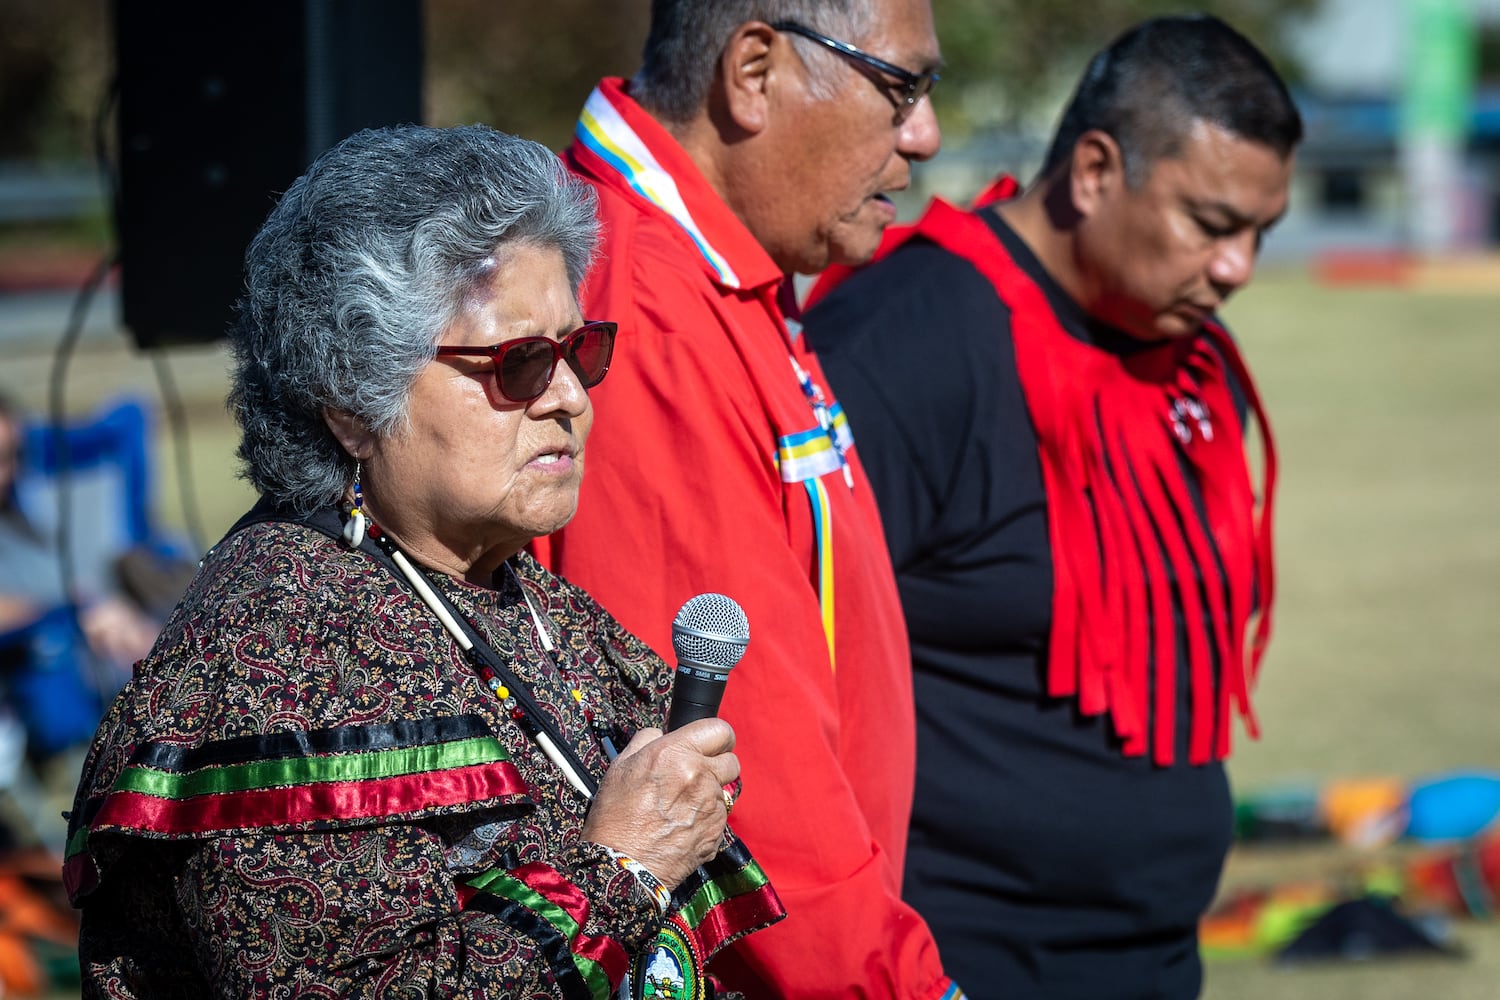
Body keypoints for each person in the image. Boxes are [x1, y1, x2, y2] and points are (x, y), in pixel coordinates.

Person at [62, 124, 784, 999]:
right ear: (353, 406)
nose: (568, 398)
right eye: (518, 363)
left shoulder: (512, 591)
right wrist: (625, 868)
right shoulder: (285, 649)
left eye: (578, 349)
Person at [802, 14, 1301, 999]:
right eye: (1210, 224)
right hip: (961, 961)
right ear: (1095, 170)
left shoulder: (1195, 369)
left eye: (1260, 233)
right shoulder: (900, 346)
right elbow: (797, 683)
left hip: (1158, 960)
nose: (1240, 267)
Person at [530, 2, 962, 996]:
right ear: (755, 72)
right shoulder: (650, 309)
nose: (925, 136)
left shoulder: (723, 262)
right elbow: (735, 772)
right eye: (902, 88)